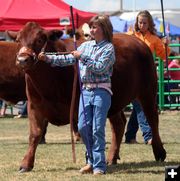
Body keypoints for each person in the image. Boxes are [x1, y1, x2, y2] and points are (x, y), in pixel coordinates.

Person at [38, 15, 115, 175]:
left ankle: (99, 165)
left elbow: (100, 68)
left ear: (104, 28)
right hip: (86, 91)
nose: (91, 30)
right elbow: (68, 58)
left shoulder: (109, 48)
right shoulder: (85, 46)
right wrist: (48, 59)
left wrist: (83, 57)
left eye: (95, 27)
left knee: (97, 129)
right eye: (91, 27)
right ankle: (91, 160)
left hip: (102, 91)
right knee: (83, 127)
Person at [125, 10, 170, 145]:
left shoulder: (154, 39)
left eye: (145, 22)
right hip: (131, 77)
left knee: (138, 106)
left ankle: (130, 136)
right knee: (140, 106)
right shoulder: (130, 36)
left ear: (150, 23)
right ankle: (148, 136)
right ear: (137, 23)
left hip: (146, 78)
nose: (142, 25)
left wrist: (166, 45)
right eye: (140, 22)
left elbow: (164, 56)